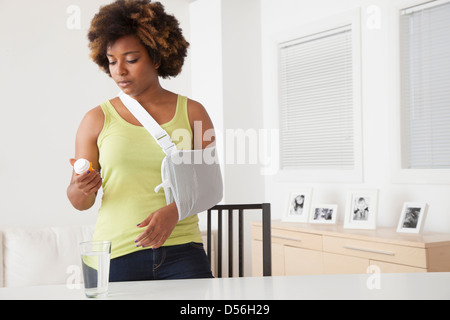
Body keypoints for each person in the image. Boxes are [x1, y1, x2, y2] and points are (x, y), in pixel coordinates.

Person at [67, 0, 215, 281]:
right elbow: (80, 202)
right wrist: (80, 187)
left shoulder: (193, 112)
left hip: (182, 252)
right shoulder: (96, 119)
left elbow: (210, 186)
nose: (119, 71)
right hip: (115, 254)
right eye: (112, 61)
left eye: (131, 60)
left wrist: (174, 212)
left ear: (157, 58)